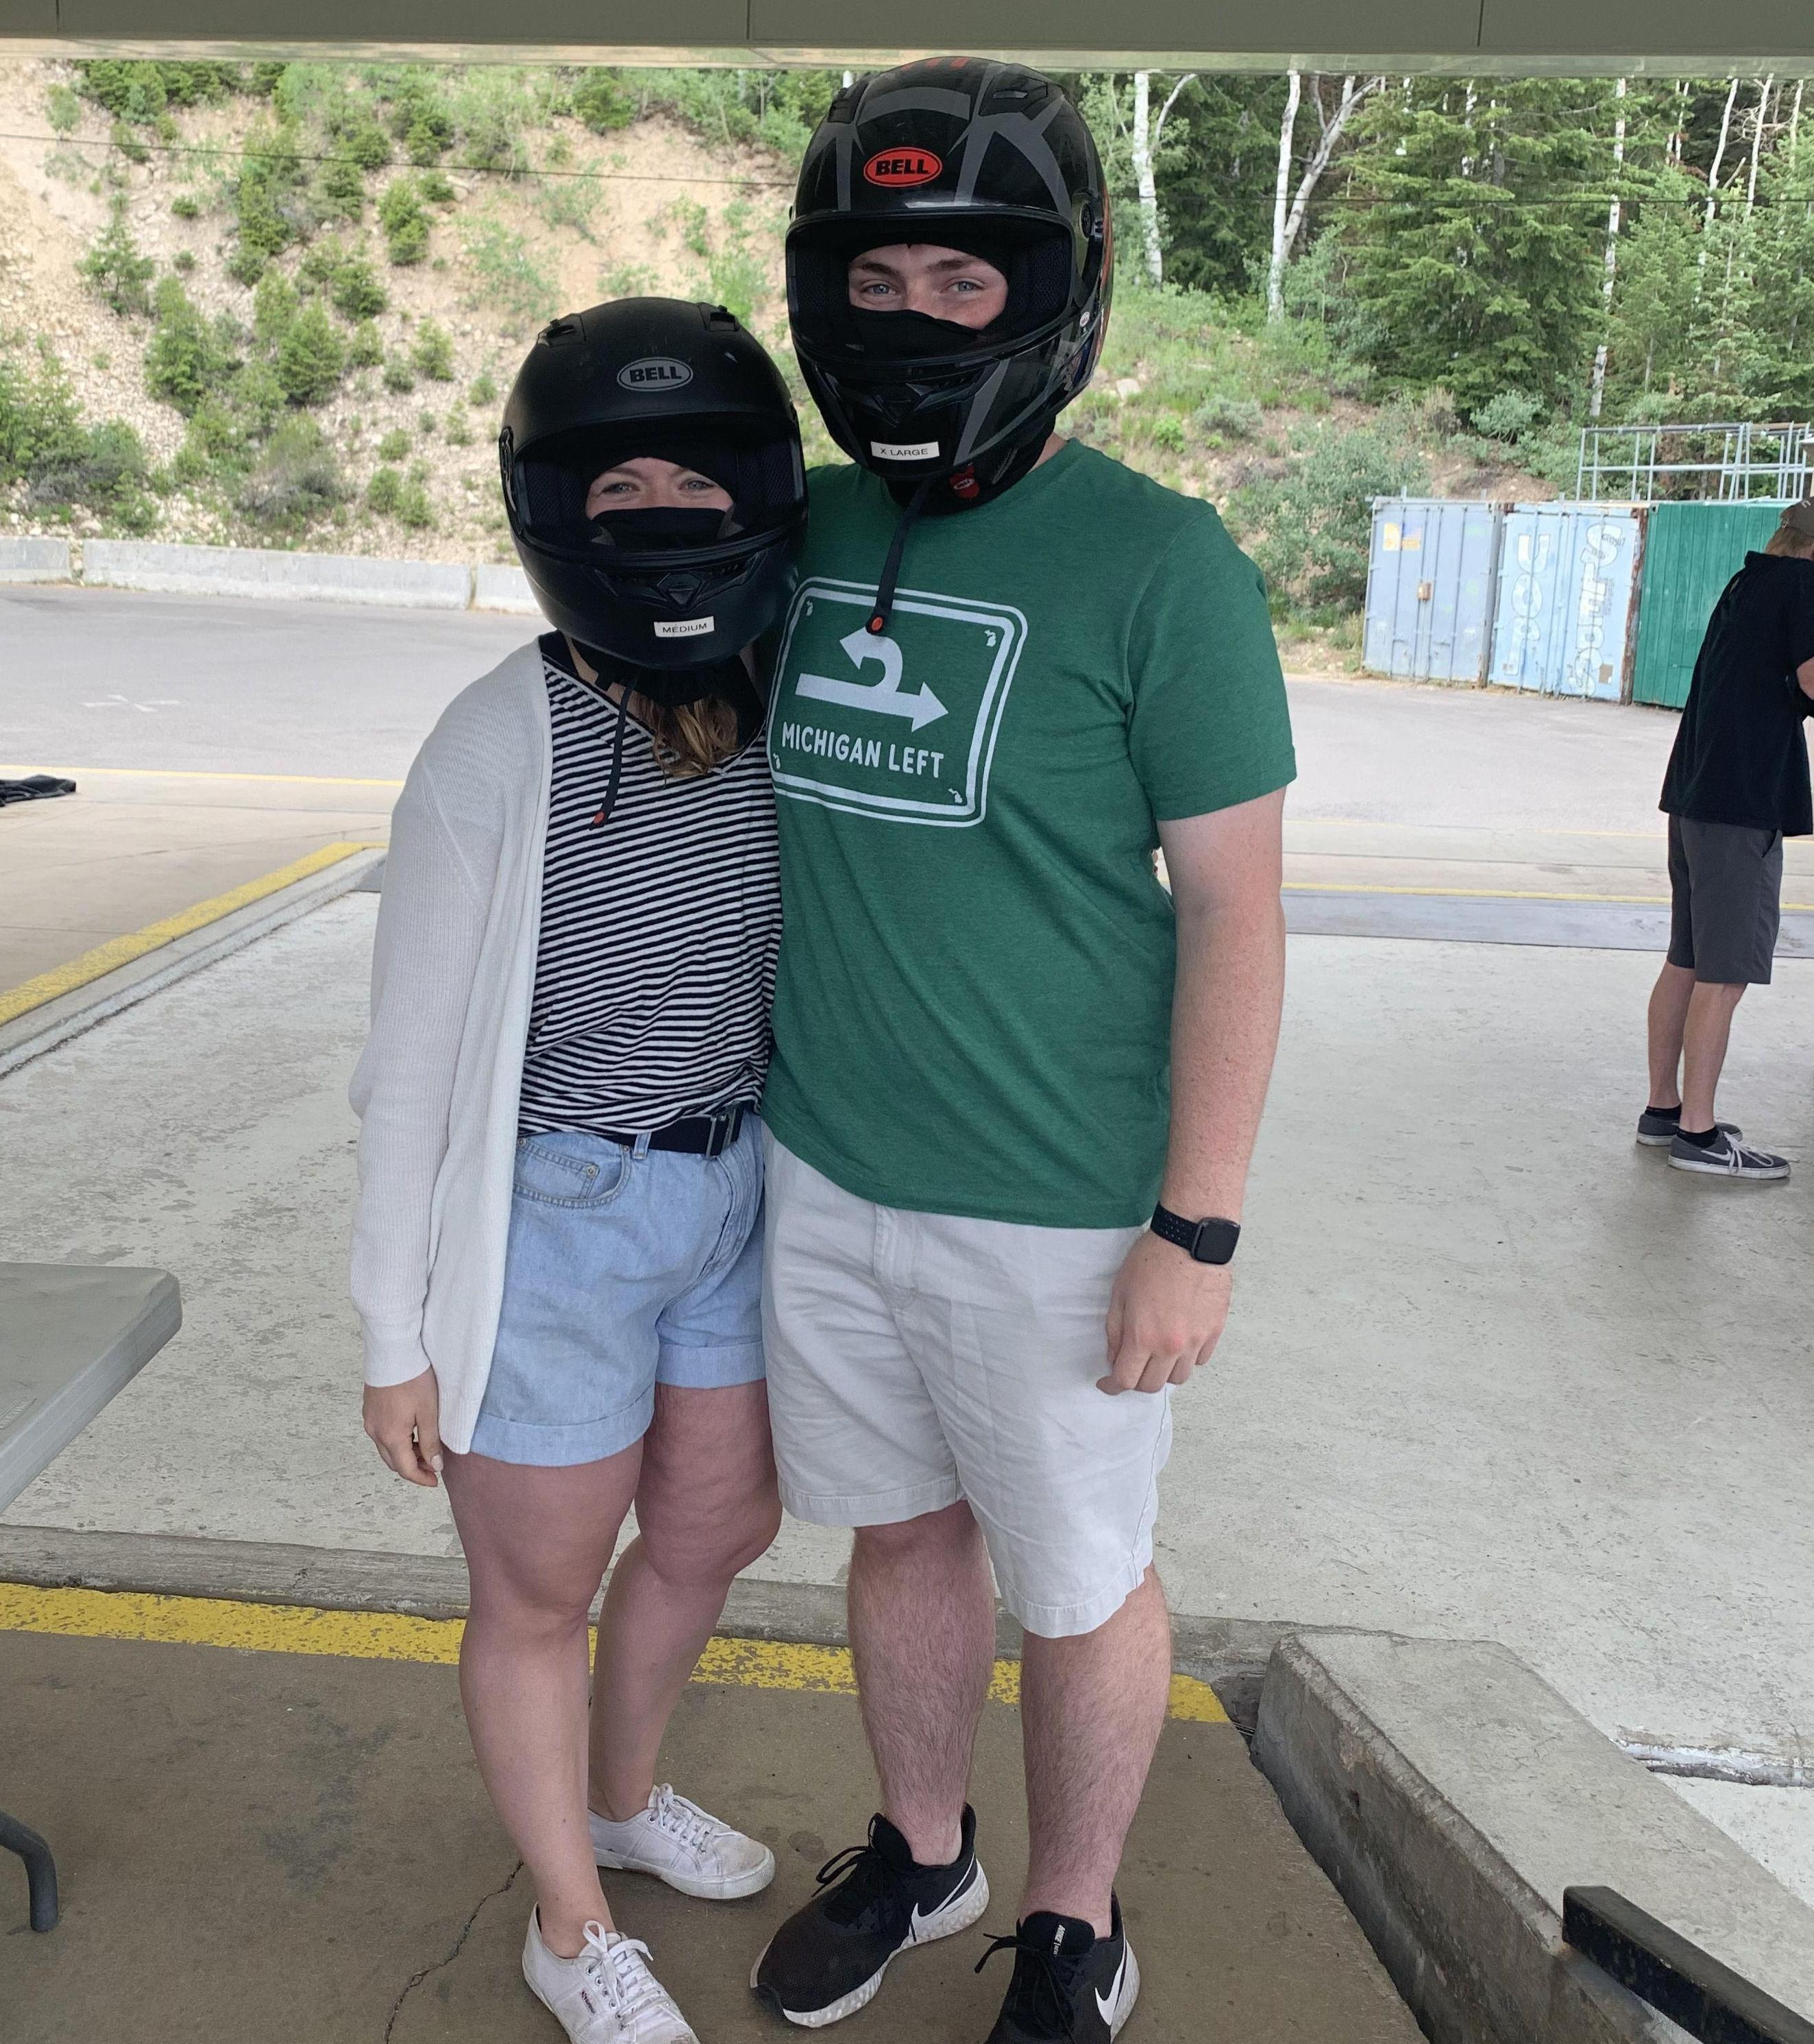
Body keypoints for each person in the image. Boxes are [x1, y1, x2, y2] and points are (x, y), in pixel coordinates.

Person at [748, 60, 1295, 2043]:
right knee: (898, 1536)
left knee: (1074, 1579)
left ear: (1048, 298)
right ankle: (919, 1844)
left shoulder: (1161, 565)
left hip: (1065, 1207)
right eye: (871, 273)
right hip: (819, 1172)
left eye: (958, 281)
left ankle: (1071, 1917)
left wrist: (1196, 1224)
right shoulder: (781, 531)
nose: (907, 313)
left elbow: (1237, 911)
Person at [350, 297, 807, 2044]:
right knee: (537, 1590)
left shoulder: (776, 696)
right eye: (622, 484)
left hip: (732, 1189)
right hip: (554, 1214)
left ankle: (621, 1799)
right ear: (555, 511)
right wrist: (390, 1325)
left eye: (700, 475)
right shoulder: (500, 738)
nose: (664, 509)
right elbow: (405, 1069)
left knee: (713, 1523)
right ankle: (566, 1921)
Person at [1639, 499, 1814, 1180]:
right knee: (1726, 973)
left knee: (1687, 960)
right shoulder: (1804, 588)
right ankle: (1699, 1134)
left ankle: (1664, 1110)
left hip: (1695, 799)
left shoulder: (1749, 583)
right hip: (1740, 808)